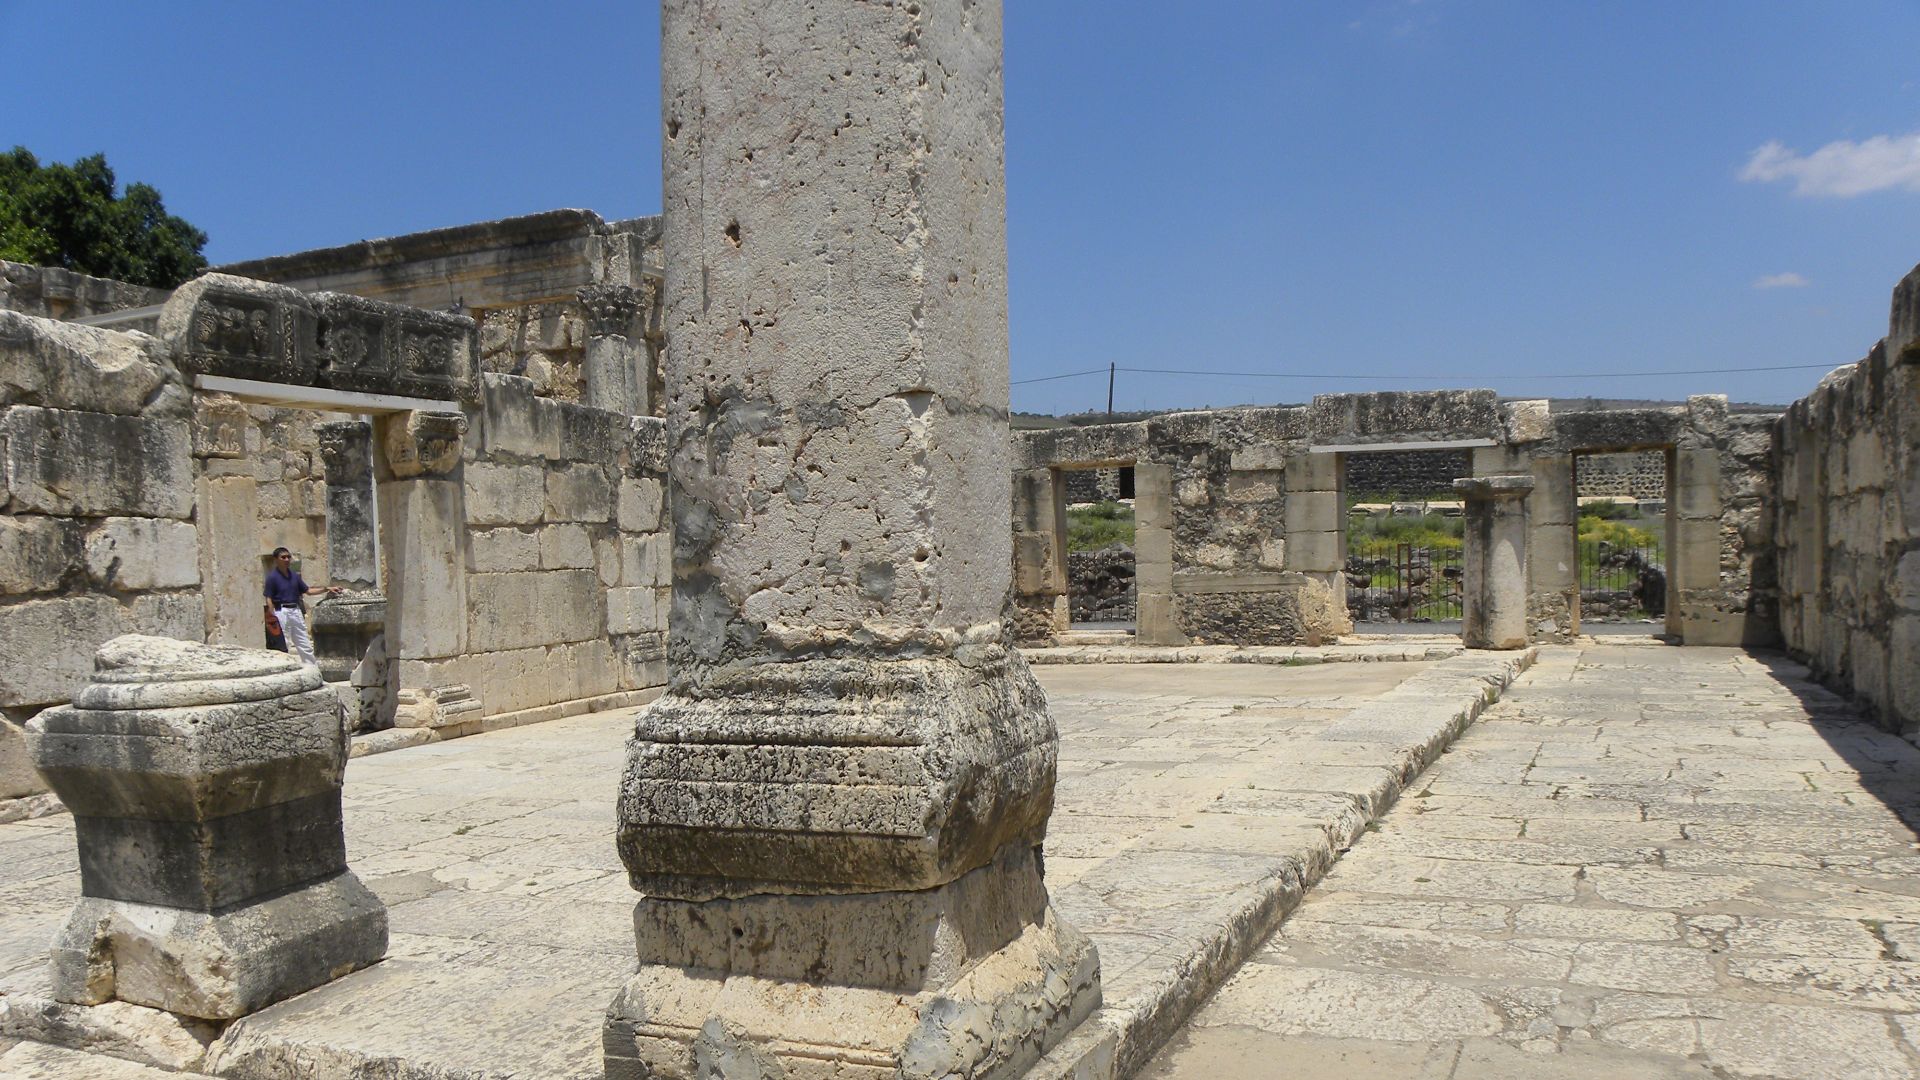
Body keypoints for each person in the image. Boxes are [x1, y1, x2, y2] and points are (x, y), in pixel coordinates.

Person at [264, 547, 339, 667]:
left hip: (295, 610)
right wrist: (273, 615)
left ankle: (312, 669)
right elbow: (269, 597)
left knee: (304, 642)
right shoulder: (272, 578)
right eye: (283, 557)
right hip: (281, 611)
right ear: (276, 560)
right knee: (284, 644)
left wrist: (326, 588)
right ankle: (284, 670)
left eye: (288, 556)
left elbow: (308, 591)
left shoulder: (294, 576)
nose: (287, 559)